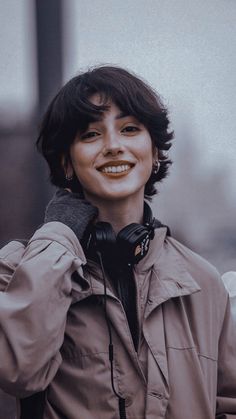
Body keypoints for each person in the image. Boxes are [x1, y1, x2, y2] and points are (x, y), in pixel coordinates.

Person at [0, 66, 235, 419]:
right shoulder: (18, 269)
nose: (113, 146)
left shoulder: (202, 282)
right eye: (91, 134)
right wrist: (60, 235)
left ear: (154, 152)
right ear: (66, 161)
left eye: (129, 129)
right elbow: (18, 369)